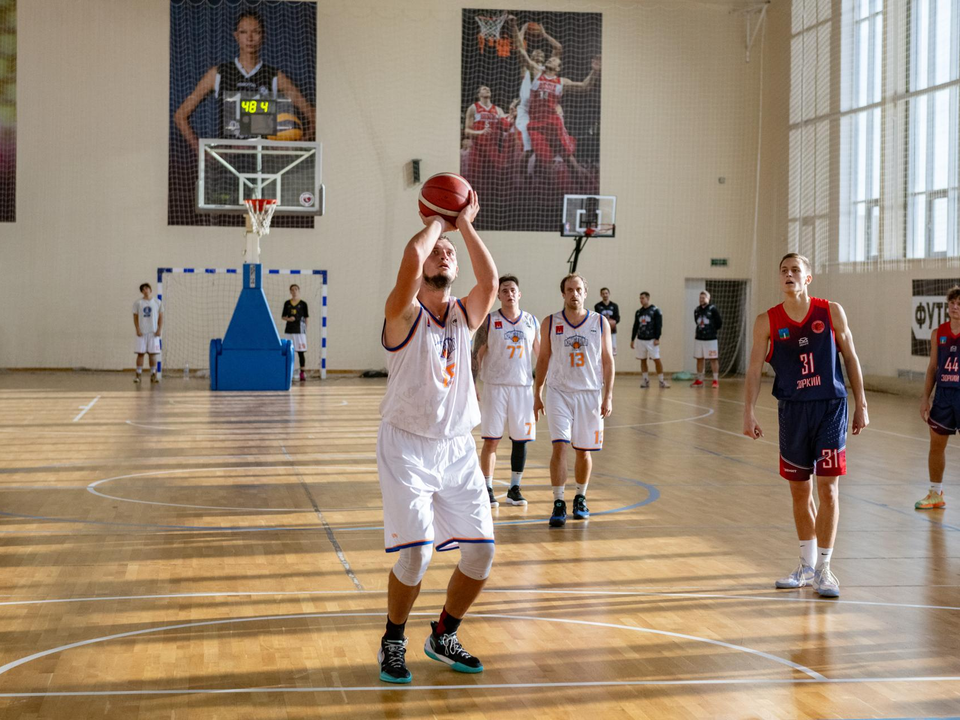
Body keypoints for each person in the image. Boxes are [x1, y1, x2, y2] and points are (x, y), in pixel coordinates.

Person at [377, 191, 498, 684]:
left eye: (449, 254)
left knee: (482, 553)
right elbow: (411, 255)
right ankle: (393, 639)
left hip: (456, 446)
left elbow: (488, 280)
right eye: (439, 251)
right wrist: (436, 224)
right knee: (417, 553)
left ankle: (443, 633)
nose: (445, 254)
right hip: (406, 444)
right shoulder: (402, 313)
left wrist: (463, 226)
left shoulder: (463, 315)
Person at [743, 253, 868, 598]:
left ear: (808, 278)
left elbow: (850, 356)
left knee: (828, 489)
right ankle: (806, 565)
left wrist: (862, 404)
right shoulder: (767, 320)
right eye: (783, 270)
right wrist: (748, 412)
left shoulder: (830, 311)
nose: (789, 275)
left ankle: (826, 569)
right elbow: (754, 369)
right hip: (792, 410)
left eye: (795, 270)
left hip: (830, 407)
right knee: (800, 490)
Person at [533, 273, 614, 527]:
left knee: (583, 450)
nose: (574, 293)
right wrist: (537, 392)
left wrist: (608, 394)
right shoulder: (549, 322)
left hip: (590, 393)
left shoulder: (600, 322)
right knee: (559, 446)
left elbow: (608, 360)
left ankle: (580, 496)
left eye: (578, 289)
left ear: (585, 293)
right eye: (569, 289)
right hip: (559, 392)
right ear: (563, 294)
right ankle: (558, 501)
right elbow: (543, 358)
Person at [174, 10, 316, 152]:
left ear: (263, 36)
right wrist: (202, 152)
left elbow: (313, 115)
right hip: (228, 161)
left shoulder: (274, 76)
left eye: (256, 32)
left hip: (264, 160)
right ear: (236, 36)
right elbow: (180, 115)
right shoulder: (218, 74)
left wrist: (300, 146)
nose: (249, 38)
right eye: (243, 32)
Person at [475, 275, 540, 508]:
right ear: (499, 295)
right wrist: (472, 384)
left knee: (520, 440)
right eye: (505, 290)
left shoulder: (532, 321)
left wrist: (542, 390)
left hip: (523, 388)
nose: (509, 293)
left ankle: (514, 488)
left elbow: (542, 358)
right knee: (491, 439)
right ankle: (487, 487)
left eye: (513, 290)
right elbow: (477, 354)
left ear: (519, 294)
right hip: (495, 386)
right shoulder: (489, 321)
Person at [917, 286, 960, 510]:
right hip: (943, 395)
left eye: (959, 304)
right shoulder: (938, 333)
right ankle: (935, 493)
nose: (955, 307)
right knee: (936, 445)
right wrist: (926, 397)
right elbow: (933, 367)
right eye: (952, 303)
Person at [631, 292, 668, 388]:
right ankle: (645, 380)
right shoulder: (638, 312)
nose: (641, 300)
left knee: (656, 359)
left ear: (648, 298)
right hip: (641, 339)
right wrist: (632, 339)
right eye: (640, 298)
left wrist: (657, 338)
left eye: (642, 298)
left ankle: (661, 380)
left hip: (651, 340)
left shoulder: (655, 310)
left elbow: (659, 325)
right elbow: (635, 326)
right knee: (642, 360)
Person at [132, 283, 163, 384]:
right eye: (143, 289)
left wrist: (159, 329)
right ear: (142, 292)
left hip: (153, 332)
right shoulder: (138, 303)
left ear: (150, 289)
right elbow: (135, 317)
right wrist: (137, 329)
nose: (145, 290)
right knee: (140, 354)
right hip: (142, 332)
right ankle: (138, 375)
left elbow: (161, 317)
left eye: (147, 288)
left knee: (152, 354)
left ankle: (153, 375)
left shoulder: (157, 302)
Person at [692, 290, 722, 388]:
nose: (701, 299)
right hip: (699, 338)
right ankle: (700, 379)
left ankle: (715, 380)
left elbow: (719, 323)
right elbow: (696, 321)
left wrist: (711, 330)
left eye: (703, 297)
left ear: (708, 298)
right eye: (700, 298)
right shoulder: (697, 310)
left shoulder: (713, 309)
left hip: (711, 339)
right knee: (699, 359)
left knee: (713, 359)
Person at [281, 284, 309, 382]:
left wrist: (306, 329)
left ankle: (302, 373)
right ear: (290, 291)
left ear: (298, 290)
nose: (294, 291)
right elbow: (283, 317)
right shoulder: (287, 303)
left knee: (301, 352)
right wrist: (289, 319)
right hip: (289, 330)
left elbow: (306, 317)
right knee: (289, 351)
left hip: (300, 331)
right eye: (292, 290)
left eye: (296, 289)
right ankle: (289, 371)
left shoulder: (304, 304)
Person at [594, 288, 620, 356]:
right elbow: (597, 318)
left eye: (606, 293)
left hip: (612, 331)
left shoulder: (614, 306)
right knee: (602, 351)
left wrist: (612, 322)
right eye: (603, 293)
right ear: (601, 295)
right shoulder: (597, 306)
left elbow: (617, 318)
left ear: (609, 294)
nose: (605, 295)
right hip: (602, 331)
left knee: (612, 352)